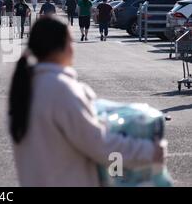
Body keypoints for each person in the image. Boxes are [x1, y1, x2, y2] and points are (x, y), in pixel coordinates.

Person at [10, 16, 165, 186]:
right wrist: (148, 151)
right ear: (63, 46)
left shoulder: (27, 85)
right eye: (71, 41)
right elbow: (98, 143)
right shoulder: (61, 89)